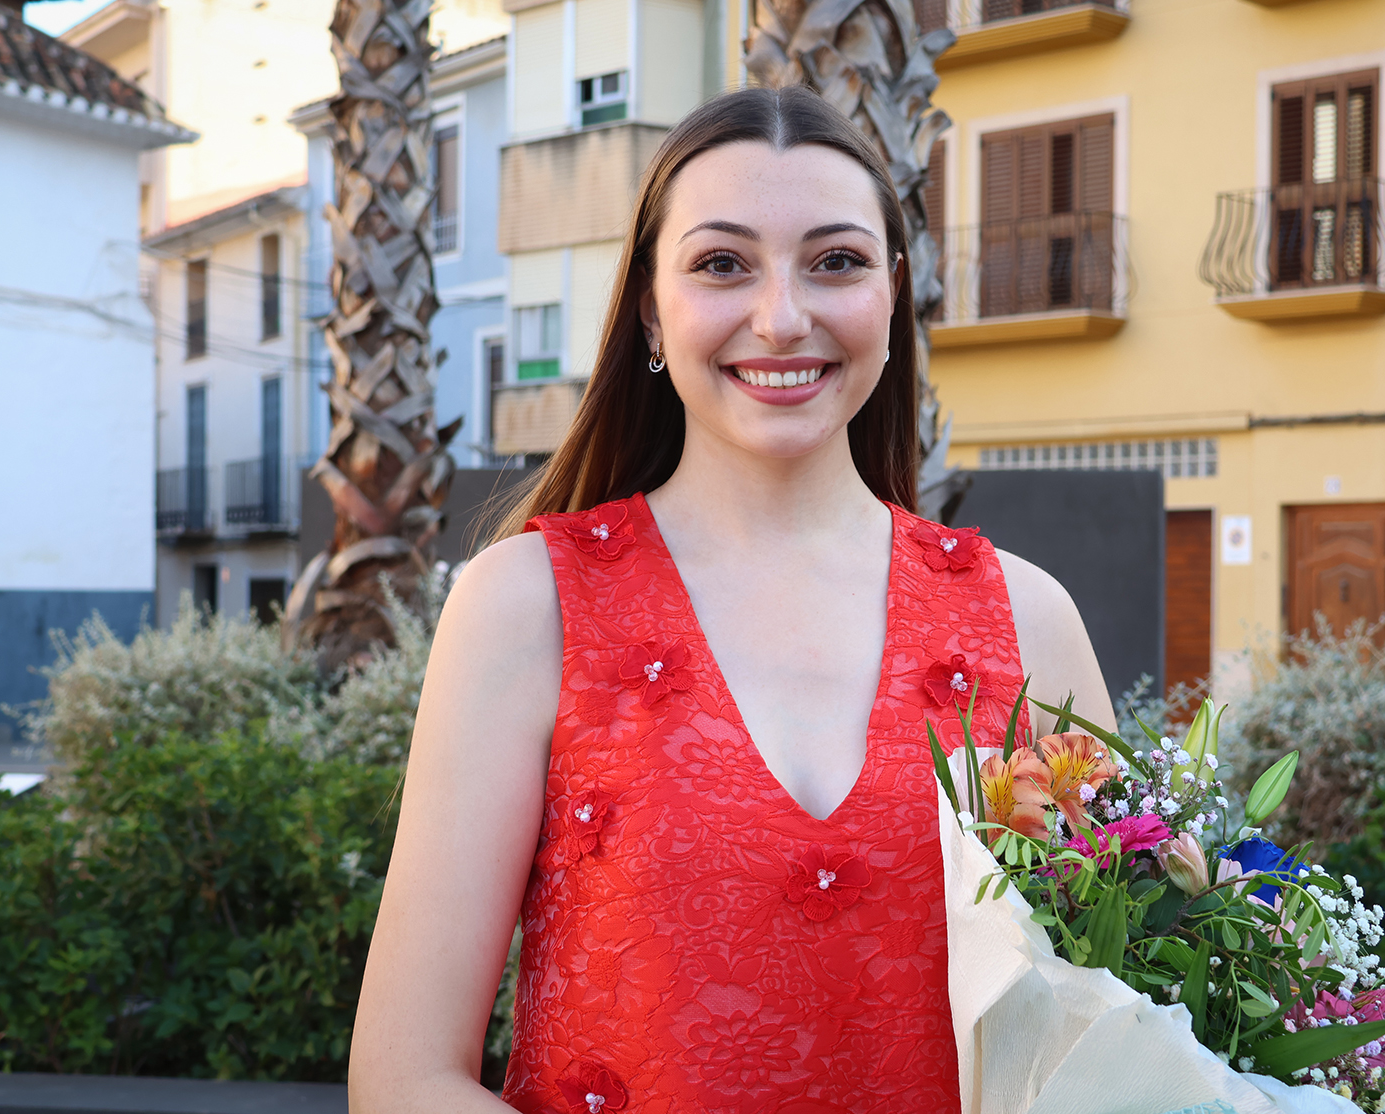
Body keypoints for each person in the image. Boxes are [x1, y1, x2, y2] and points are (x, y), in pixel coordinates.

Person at [348, 85, 1111, 1113]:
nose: (781, 315)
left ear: (892, 295)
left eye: (835, 262)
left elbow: (1120, 1026)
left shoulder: (1032, 619)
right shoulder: (524, 607)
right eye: (721, 264)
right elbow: (402, 1078)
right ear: (651, 313)